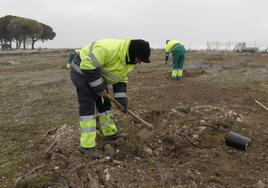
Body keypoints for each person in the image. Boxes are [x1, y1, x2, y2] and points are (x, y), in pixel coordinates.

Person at [70, 38, 151, 159]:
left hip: (96, 73)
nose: (139, 62)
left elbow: (121, 79)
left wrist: (121, 100)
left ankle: (110, 133)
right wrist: (98, 86)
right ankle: (86, 146)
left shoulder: (128, 61)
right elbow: (87, 65)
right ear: (133, 54)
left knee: (104, 103)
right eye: (139, 59)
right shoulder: (108, 49)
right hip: (82, 71)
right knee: (88, 106)